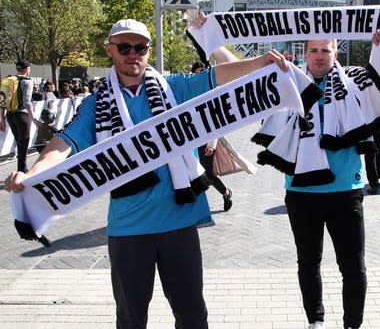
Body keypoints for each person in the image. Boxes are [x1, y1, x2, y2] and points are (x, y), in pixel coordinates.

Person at [4, 18, 289, 328]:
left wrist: (261, 61)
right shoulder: (96, 104)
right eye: (124, 47)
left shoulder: (174, 88)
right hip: (128, 229)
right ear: (109, 50)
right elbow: (63, 143)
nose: (132, 54)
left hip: (179, 223)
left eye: (139, 48)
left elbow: (217, 76)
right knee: (131, 320)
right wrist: (32, 173)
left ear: (149, 51)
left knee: (193, 315)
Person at [285, 39, 367, 329]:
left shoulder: (354, 82)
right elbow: (240, 81)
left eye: (326, 50)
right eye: (314, 50)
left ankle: (352, 324)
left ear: (336, 52)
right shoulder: (288, 83)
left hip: (345, 191)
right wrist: (212, 37)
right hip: (301, 191)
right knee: (308, 262)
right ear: (304, 53)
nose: (319, 57)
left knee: (353, 267)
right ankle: (315, 321)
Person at [191, 60, 233, 212]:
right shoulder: (189, 94)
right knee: (192, 172)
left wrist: (212, 143)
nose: (199, 76)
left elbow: (217, 122)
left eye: (202, 73)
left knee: (207, 171)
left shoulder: (212, 95)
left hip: (206, 140)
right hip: (191, 141)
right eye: (197, 74)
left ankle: (226, 193)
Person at [0, 59, 43, 172]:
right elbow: (27, 101)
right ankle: (22, 170)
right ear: (26, 69)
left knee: (19, 142)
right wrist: (33, 118)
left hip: (10, 115)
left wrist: (2, 119)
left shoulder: (9, 81)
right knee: (23, 143)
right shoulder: (27, 82)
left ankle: (22, 169)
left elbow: (2, 101)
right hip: (22, 115)